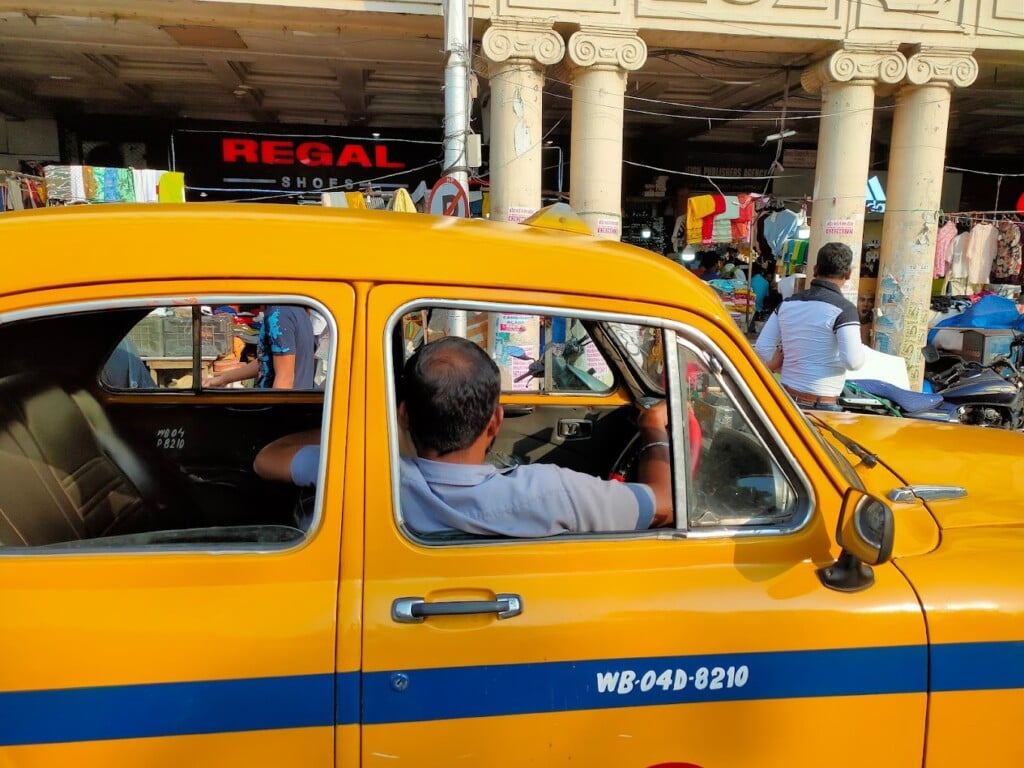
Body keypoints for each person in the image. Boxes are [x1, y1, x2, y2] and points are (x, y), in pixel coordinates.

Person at [256, 336, 674, 537]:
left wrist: (372, 426)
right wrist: (654, 430)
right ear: (496, 422)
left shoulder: (365, 479)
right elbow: (664, 506)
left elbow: (269, 457)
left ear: (402, 416)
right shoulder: (550, 493)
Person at [754, 242, 865, 410]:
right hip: (822, 403)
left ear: (814, 270)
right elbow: (853, 362)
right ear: (848, 274)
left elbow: (762, 348)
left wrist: (780, 363)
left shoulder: (787, 304)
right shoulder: (845, 310)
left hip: (787, 397)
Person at [204, 305, 316, 389]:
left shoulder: (278, 315)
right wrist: (223, 379)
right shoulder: (295, 310)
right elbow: (266, 362)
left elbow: (285, 378)